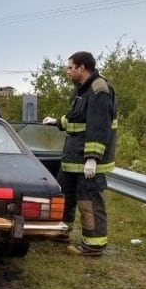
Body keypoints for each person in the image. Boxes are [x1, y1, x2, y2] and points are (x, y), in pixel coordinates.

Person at [42, 51, 117, 257]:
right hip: (73, 157)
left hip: (87, 161)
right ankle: (61, 233)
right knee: (64, 197)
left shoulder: (98, 89)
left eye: (70, 67)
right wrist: (56, 121)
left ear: (82, 67)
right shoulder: (81, 90)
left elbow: (99, 126)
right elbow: (77, 118)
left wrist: (93, 157)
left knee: (88, 202)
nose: (67, 71)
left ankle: (93, 245)